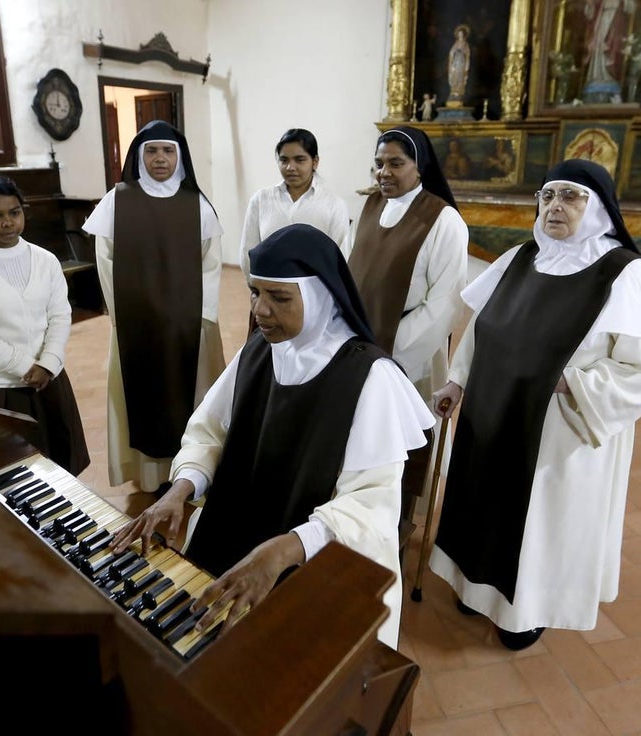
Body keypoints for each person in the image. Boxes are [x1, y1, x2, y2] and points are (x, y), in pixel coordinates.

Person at [109, 224, 435, 648]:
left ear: (322, 297)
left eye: (279, 297)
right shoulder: (261, 348)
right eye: (254, 292)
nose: (260, 310)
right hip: (236, 526)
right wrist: (180, 488)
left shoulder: (369, 377)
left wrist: (284, 549)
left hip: (312, 555)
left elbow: (371, 504)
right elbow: (209, 432)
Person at [429, 159, 641, 650]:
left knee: (538, 523)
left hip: (557, 431)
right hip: (491, 414)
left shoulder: (624, 275)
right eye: (547, 196)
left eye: (571, 196)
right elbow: (482, 333)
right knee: (480, 500)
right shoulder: (520, 258)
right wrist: (456, 382)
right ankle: (472, 585)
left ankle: (526, 609)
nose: (555, 206)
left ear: (600, 210)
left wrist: (577, 384)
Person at [83, 120, 225, 492]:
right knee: (140, 397)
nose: (159, 158)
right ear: (139, 155)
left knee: (190, 394)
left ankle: (190, 470)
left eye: (167, 150)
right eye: (151, 150)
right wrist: (121, 313)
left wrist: (203, 316)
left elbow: (211, 262)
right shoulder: (119, 199)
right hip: (137, 322)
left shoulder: (196, 202)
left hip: (187, 322)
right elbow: (106, 258)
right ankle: (148, 475)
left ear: (179, 157)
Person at [348, 126, 468, 507]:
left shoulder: (442, 219)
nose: (384, 172)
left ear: (420, 167)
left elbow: (446, 301)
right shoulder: (369, 207)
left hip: (408, 352)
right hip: (360, 344)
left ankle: (400, 513)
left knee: (404, 441)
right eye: (379, 164)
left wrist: (393, 349)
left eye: (396, 163)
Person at [0, 175, 90, 476]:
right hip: (5, 385)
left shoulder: (45, 260)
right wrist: (26, 366)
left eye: (14, 212)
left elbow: (59, 315)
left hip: (50, 378)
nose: (7, 222)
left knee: (62, 465)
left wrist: (49, 362)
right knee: (23, 469)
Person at [239, 128, 351, 278]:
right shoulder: (261, 200)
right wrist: (258, 290)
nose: (290, 167)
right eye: (284, 160)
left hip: (317, 294)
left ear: (315, 162)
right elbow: (248, 252)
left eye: (299, 160)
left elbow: (341, 257)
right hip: (269, 288)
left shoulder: (333, 205)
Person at [447, 25, 471, 105]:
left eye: (461, 34)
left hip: (461, 63)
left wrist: (467, 65)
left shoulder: (465, 44)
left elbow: (467, 55)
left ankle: (459, 93)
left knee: (460, 77)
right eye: (459, 34)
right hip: (455, 63)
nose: (460, 35)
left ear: (464, 35)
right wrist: (451, 65)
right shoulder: (455, 44)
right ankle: (454, 92)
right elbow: (451, 54)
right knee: (454, 77)